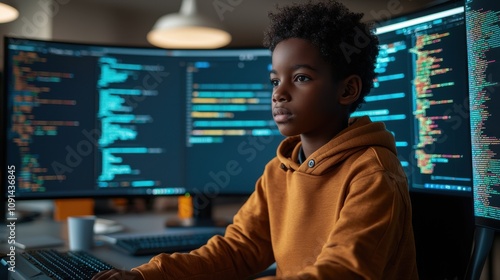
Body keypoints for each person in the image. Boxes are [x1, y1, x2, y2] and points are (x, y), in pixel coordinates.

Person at [93, 0, 418, 279]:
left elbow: (341, 272)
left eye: (301, 78)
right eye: (275, 79)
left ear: (347, 90)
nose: (279, 92)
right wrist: (145, 276)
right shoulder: (279, 171)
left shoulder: (373, 173)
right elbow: (239, 250)